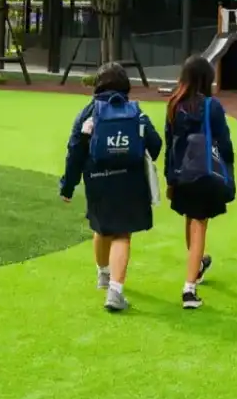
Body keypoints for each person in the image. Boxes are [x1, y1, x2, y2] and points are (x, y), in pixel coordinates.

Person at [59, 62, 162, 313]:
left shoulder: (88, 113)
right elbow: (156, 145)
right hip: (130, 181)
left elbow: (75, 150)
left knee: (101, 227)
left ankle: (103, 275)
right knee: (122, 234)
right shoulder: (135, 112)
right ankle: (116, 291)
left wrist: (68, 186)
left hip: (98, 178)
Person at [164, 55, 234, 309]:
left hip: (181, 172)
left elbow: (169, 143)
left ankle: (198, 265)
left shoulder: (174, 104)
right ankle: (189, 288)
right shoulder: (211, 107)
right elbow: (224, 142)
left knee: (190, 218)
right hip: (204, 173)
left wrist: (169, 177)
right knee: (199, 224)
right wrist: (228, 171)